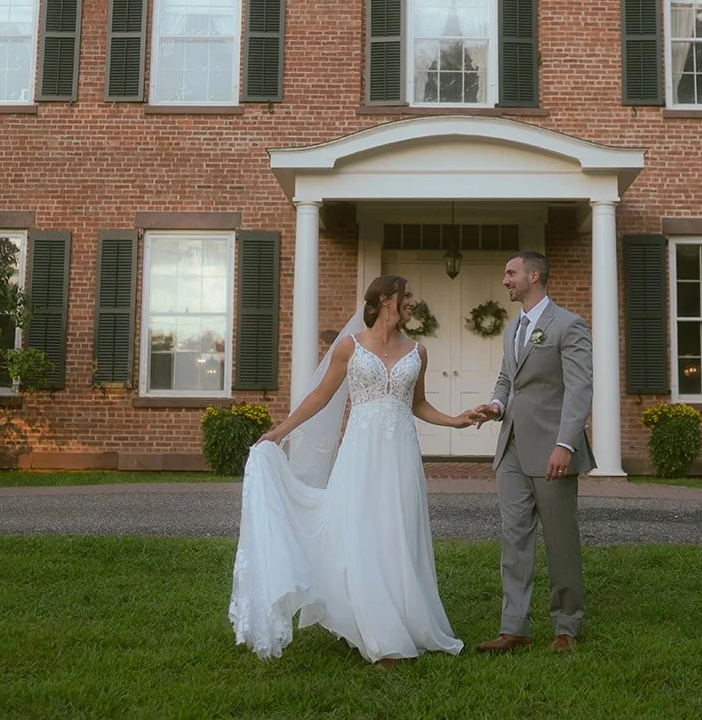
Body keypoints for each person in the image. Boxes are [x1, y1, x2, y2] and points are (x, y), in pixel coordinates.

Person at [228, 274, 476, 666]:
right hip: (360, 454)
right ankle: (374, 632)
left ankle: (402, 619)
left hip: (401, 456)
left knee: (397, 533)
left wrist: (455, 421)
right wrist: (279, 432)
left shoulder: (418, 352)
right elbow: (320, 397)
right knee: (361, 532)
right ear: (386, 299)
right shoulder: (350, 347)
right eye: (407, 295)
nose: (412, 302)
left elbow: (418, 404)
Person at [467, 250, 595, 654]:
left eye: (511, 273)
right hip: (511, 450)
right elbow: (508, 379)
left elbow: (579, 390)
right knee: (514, 538)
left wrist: (565, 444)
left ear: (534, 275)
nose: (505, 279)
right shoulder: (512, 329)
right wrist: (495, 406)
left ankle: (566, 626)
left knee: (560, 540)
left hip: (552, 449)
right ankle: (514, 628)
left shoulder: (569, 325)